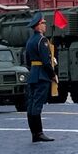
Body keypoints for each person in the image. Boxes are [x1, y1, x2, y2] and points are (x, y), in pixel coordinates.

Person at [24, 12, 58, 143]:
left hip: (33, 74)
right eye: (43, 23)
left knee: (31, 104)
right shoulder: (42, 40)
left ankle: (34, 133)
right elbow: (45, 61)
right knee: (37, 104)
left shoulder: (30, 41)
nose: (45, 25)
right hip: (42, 76)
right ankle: (39, 133)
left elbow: (27, 60)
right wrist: (53, 75)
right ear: (38, 26)